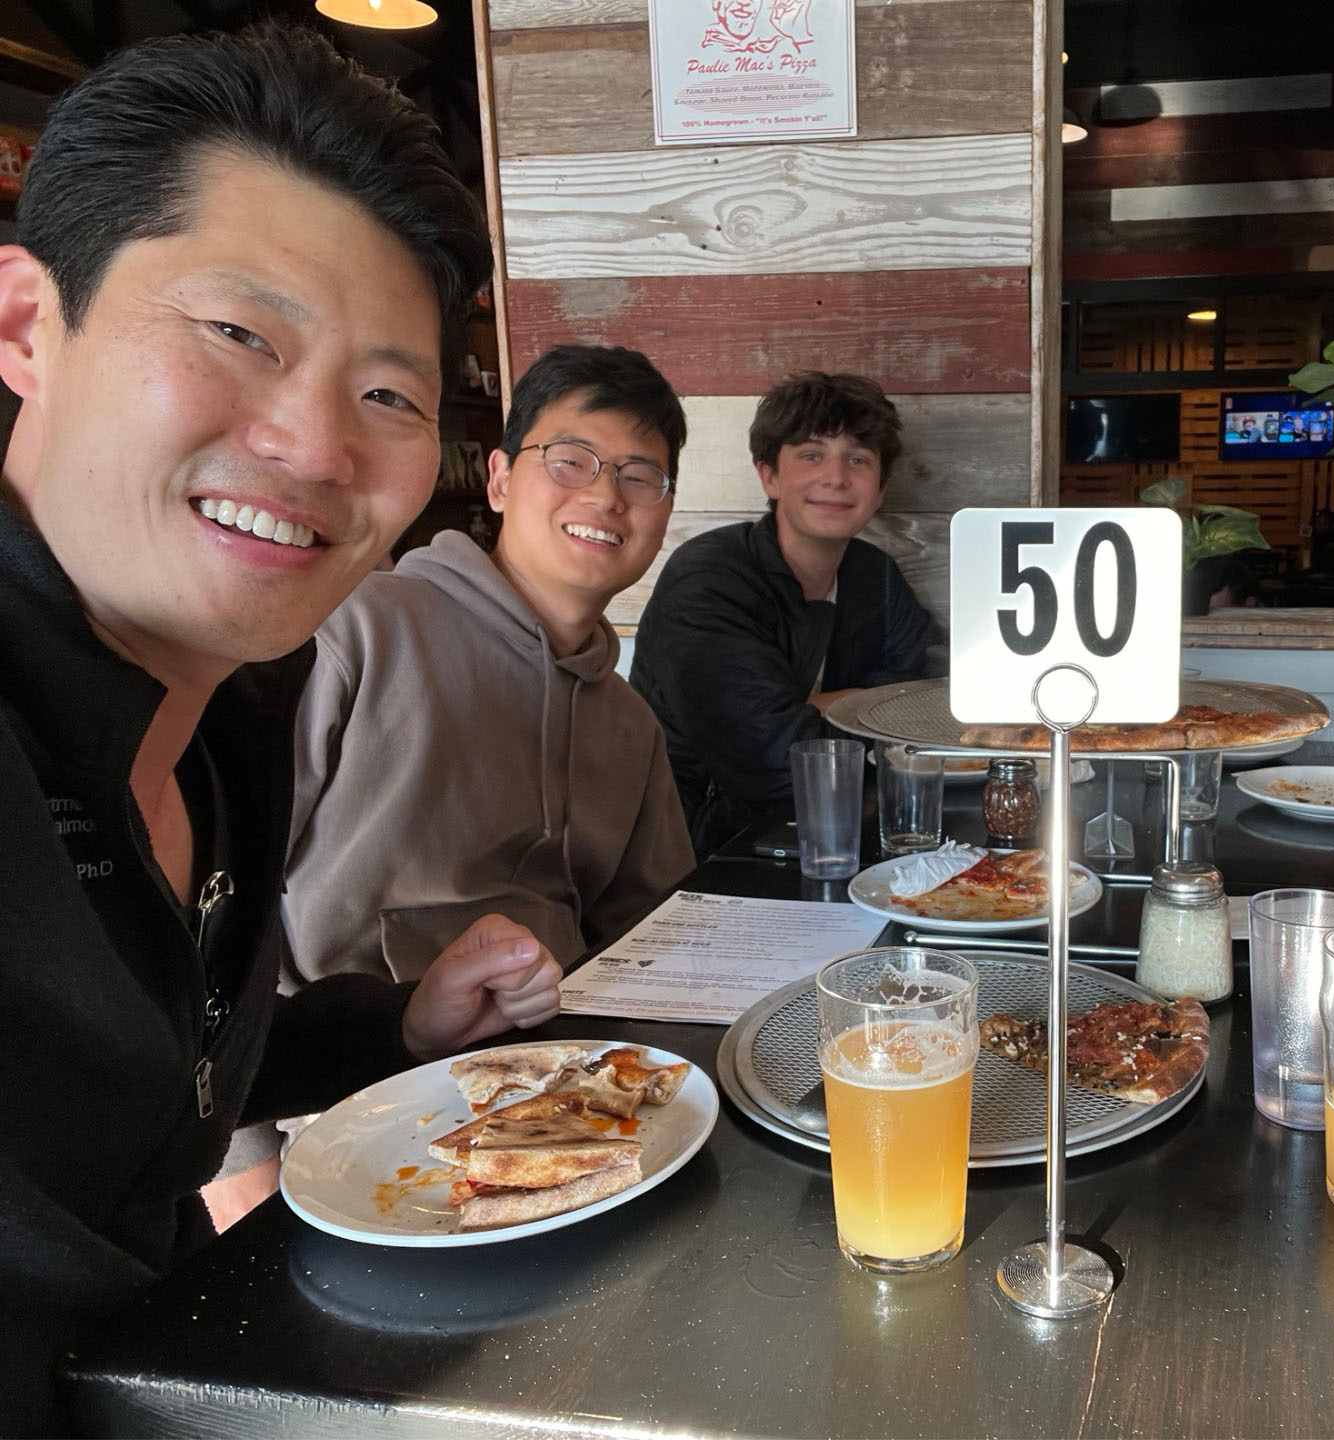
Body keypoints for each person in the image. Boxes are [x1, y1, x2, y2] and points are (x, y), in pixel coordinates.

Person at [0, 29, 564, 1431]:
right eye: (240, 335)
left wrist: (392, 1026)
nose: (316, 448)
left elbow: (150, 1062)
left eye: (388, 395)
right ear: (24, 325)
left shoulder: (224, 715)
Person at [282, 344, 696, 986]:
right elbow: (216, 892)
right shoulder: (358, 628)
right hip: (348, 1064)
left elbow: (653, 936)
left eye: (639, 476)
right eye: (570, 462)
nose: (606, 496)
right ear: (499, 479)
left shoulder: (630, 726)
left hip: (560, 1062)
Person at [630, 372, 940, 853]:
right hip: (701, 853)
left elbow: (923, 707)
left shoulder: (874, 576)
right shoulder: (709, 578)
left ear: (879, 489)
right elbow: (779, 763)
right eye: (811, 455)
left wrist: (814, 704)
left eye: (857, 459)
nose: (836, 477)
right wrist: (859, 707)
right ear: (769, 475)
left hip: (836, 837)